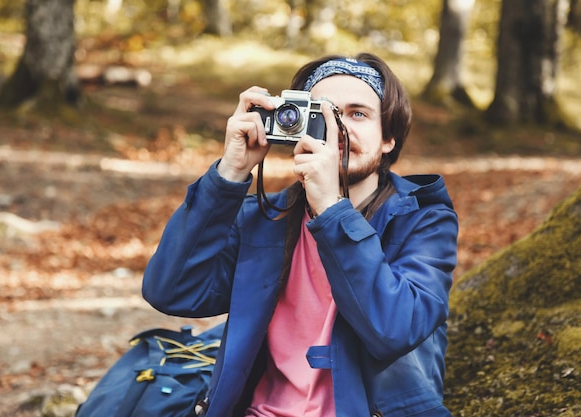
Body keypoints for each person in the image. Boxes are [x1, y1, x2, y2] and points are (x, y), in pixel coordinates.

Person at [142, 52, 459, 417]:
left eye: (357, 114)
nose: (338, 127)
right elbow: (171, 290)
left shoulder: (424, 220)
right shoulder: (265, 217)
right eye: (322, 111)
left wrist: (331, 208)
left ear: (388, 138)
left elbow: (394, 329)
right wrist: (230, 172)